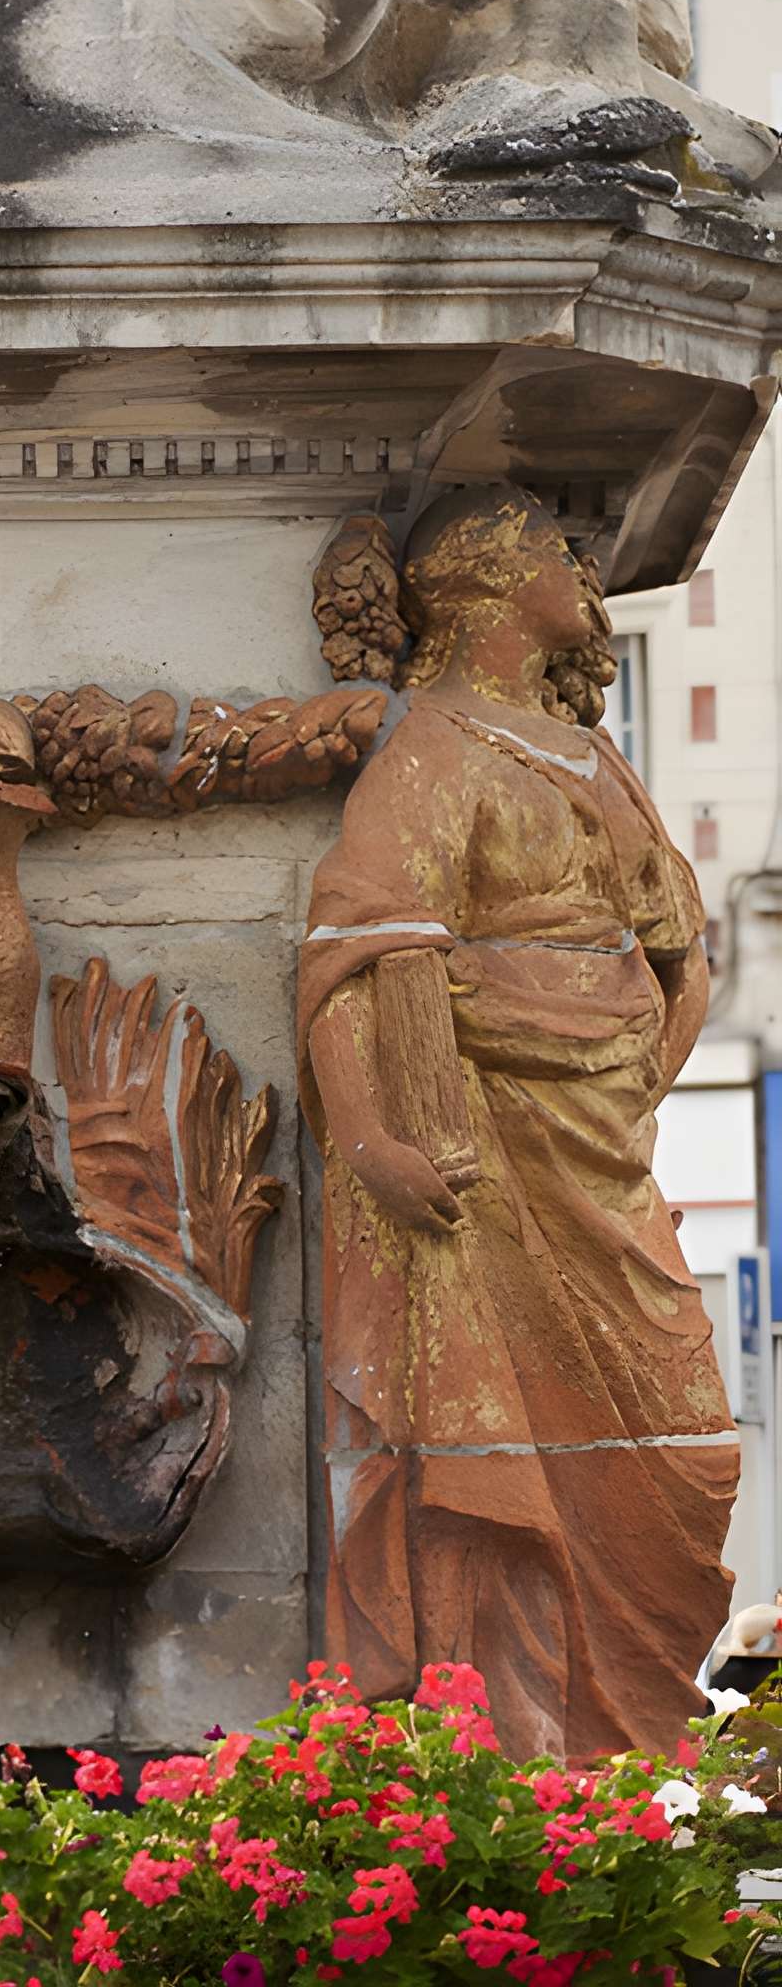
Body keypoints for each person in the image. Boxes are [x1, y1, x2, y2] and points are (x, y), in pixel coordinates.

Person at [298, 487, 738, 1757]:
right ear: (484, 582)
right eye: (556, 550)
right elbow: (350, 954)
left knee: (690, 1445)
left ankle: (625, 1745)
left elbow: (677, 949)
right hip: (483, 1156)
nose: (582, 575)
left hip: (602, 1138)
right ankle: (518, 1747)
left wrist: (636, 1085)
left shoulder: (592, 755)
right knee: (495, 1457)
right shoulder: (433, 750)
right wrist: (374, 1137)